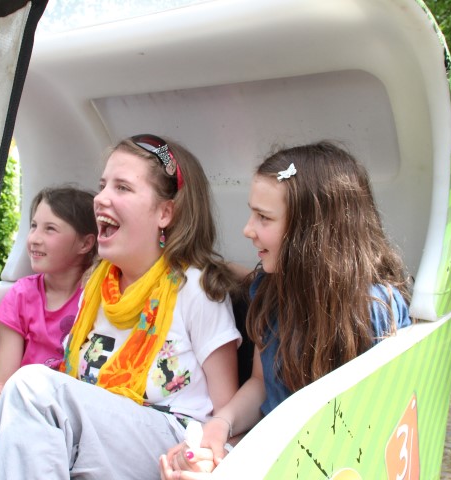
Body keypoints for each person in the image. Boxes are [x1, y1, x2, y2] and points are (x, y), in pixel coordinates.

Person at [0, 134, 241, 479]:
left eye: (122, 187)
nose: (101, 198)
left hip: (171, 447)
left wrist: (207, 461)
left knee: (33, 386)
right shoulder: (96, 287)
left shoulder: (196, 288)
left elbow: (227, 417)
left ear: (165, 212)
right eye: (102, 185)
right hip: (95, 441)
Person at [160, 141, 413, 478]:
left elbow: (373, 431)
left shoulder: (375, 311)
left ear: (314, 232)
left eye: (264, 218)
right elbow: (262, 384)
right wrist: (221, 426)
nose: (247, 229)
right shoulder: (270, 292)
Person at [0, 185, 97, 477]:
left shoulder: (96, 298)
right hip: (23, 408)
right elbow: (2, 380)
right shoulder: (22, 295)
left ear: (85, 243)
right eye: (33, 226)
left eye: (50, 229)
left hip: (72, 421)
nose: (34, 238)